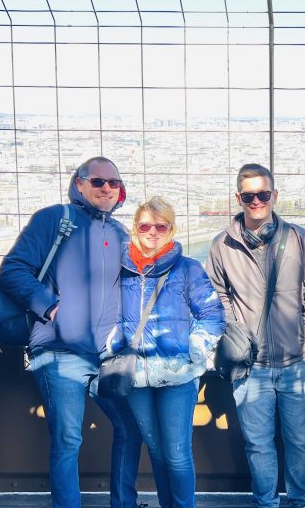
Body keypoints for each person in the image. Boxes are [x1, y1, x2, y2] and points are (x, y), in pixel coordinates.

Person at [0, 157, 143, 508]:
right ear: (79, 184)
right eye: (97, 181)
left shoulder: (120, 234)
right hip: (58, 351)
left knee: (130, 427)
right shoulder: (54, 219)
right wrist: (49, 305)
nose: (107, 188)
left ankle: (124, 502)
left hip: (105, 355)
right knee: (68, 439)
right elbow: (13, 269)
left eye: (113, 183)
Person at [204, 163, 305, 508]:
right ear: (239, 198)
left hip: (295, 361)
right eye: (249, 195)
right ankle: (266, 502)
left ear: (274, 195)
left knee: (302, 441)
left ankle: (302, 502)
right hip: (250, 364)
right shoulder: (222, 246)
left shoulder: (300, 239)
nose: (256, 200)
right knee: (258, 443)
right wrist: (235, 329)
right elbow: (216, 294)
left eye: (262, 194)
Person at [116, 196, 225, 508]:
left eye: (160, 226)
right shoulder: (121, 271)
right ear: (135, 228)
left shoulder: (188, 269)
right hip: (135, 375)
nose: (152, 232)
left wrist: (195, 349)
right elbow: (106, 317)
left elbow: (212, 315)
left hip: (177, 374)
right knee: (156, 449)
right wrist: (112, 348)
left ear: (172, 229)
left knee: (177, 453)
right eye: (145, 226)